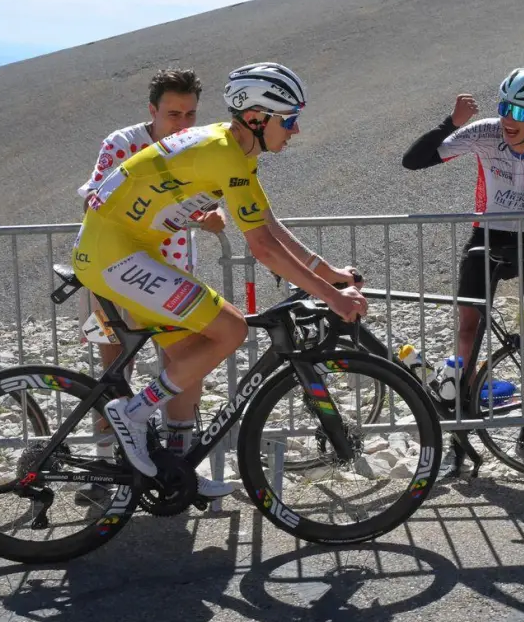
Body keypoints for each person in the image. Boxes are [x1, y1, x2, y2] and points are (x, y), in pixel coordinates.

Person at [75, 62, 367, 483]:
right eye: (289, 120)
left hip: (128, 251)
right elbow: (262, 247)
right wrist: (333, 298)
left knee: (192, 352)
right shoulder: (225, 155)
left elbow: (269, 226)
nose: (296, 130)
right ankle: (132, 414)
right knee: (231, 329)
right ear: (257, 118)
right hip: (113, 254)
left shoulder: (234, 150)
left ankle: (172, 471)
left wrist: (329, 273)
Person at [401, 68, 524, 465]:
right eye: (505, 107)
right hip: (487, 236)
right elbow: (413, 161)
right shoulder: (485, 132)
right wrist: (451, 122)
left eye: (520, 113)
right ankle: (460, 439)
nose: (508, 119)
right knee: (468, 332)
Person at [76, 69, 227, 494]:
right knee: (112, 369)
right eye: (173, 114)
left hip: (172, 275)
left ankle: (178, 464)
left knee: (184, 363)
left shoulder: (197, 147)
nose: (182, 124)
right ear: (152, 111)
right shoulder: (121, 143)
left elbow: (211, 200)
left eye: (191, 114)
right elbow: (93, 201)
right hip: (112, 275)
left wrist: (212, 216)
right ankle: (106, 468)